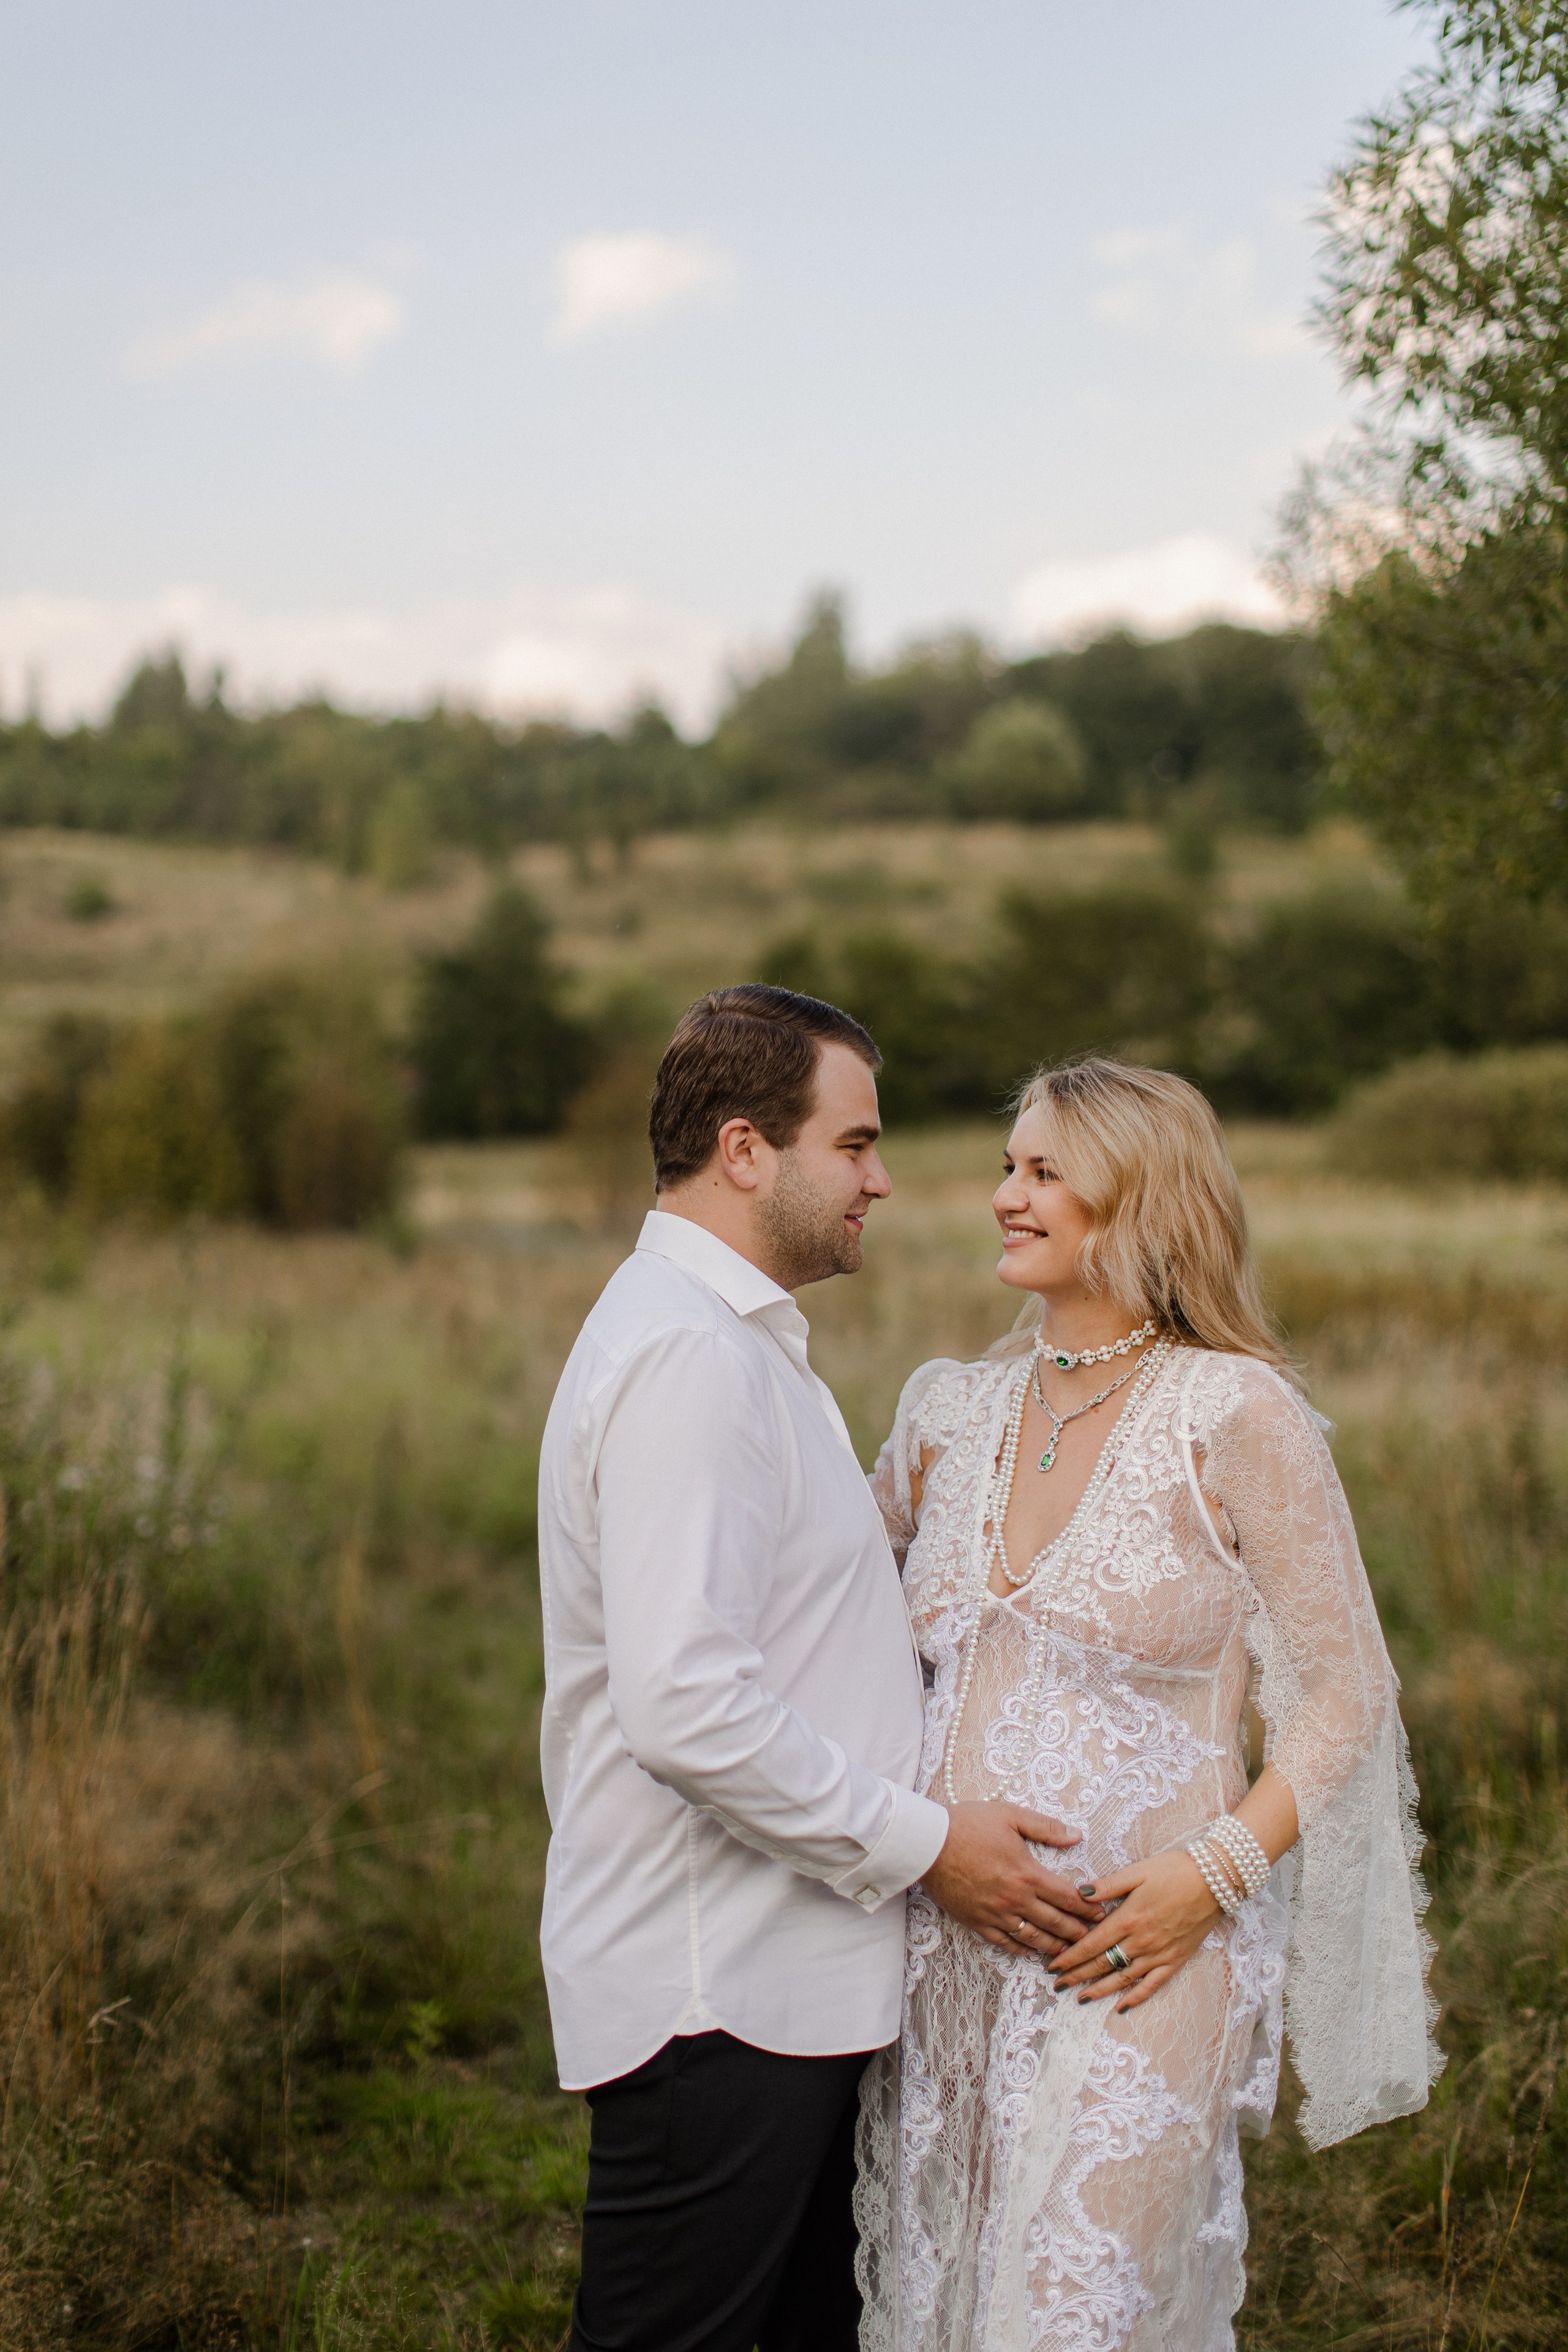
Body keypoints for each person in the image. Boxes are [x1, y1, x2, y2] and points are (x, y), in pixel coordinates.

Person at [537, 986, 1102, 2352]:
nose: (884, 1180)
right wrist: (927, 1848)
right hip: (715, 1995)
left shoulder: (730, 1342)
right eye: (853, 1145)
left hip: (772, 1986)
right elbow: (681, 1703)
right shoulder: (689, 1358)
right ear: (745, 1151)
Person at [858, 1057, 1442, 2352]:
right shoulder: (944, 1415)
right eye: (1008, 1166)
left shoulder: (1234, 1413)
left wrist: (1212, 1874)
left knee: (1069, 2324)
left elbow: (1346, 1694)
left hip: (1145, 1957)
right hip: (945, 1948)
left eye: (1041, 1171)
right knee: (941, 2312)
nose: (1004, 1195)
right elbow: (832, 1627)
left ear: (1137, 1198)